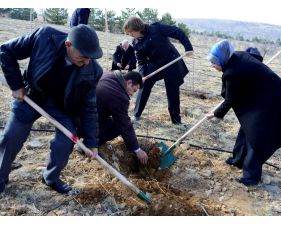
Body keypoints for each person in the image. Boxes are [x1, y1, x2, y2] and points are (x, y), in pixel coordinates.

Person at [0, 24, 103, 194]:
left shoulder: (93, 71)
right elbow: (6, 51)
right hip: (32, 95)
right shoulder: (44, 37)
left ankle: (51, 177)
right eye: (84, 56)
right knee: (11, 135)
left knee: (65, 141)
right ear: (68, 45)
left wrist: (92, 142)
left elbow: (89, 107)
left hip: (61, 107)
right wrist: (16, 85)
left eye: (91, 57)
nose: (87, 61)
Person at [206, 40, 281, 186]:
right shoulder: (236, 56)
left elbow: (230, 100)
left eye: (215, 62)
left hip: (271, 97)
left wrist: (215, 114)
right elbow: (256, 56)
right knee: (247, 125)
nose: (212, 66)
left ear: (223, 59)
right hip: (261, 93)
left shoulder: (232, 72)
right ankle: (238, 159)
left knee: (256, 135)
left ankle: (251, 178)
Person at [123, 16, 193, 126]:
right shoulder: (136, 42)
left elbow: (177, 31)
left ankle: (176, 121)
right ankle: (136, 115)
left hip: (171, 61)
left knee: (172, 90)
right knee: (144, 86)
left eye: (130, 32)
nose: (130, 35)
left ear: (137, 28)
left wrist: (188, 47)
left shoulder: (156, 29)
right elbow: (141, 61)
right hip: (154, 64)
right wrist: (142, 75)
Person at [96, 71, 148, 165]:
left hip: (79, 114)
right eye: (134, 90)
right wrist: (137, 149)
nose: (132, 94)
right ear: (129, 82)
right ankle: (90, 144)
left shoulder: (109, 75)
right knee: (119, 126)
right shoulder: (119, 96)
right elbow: (124, 124)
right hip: (86, 122)